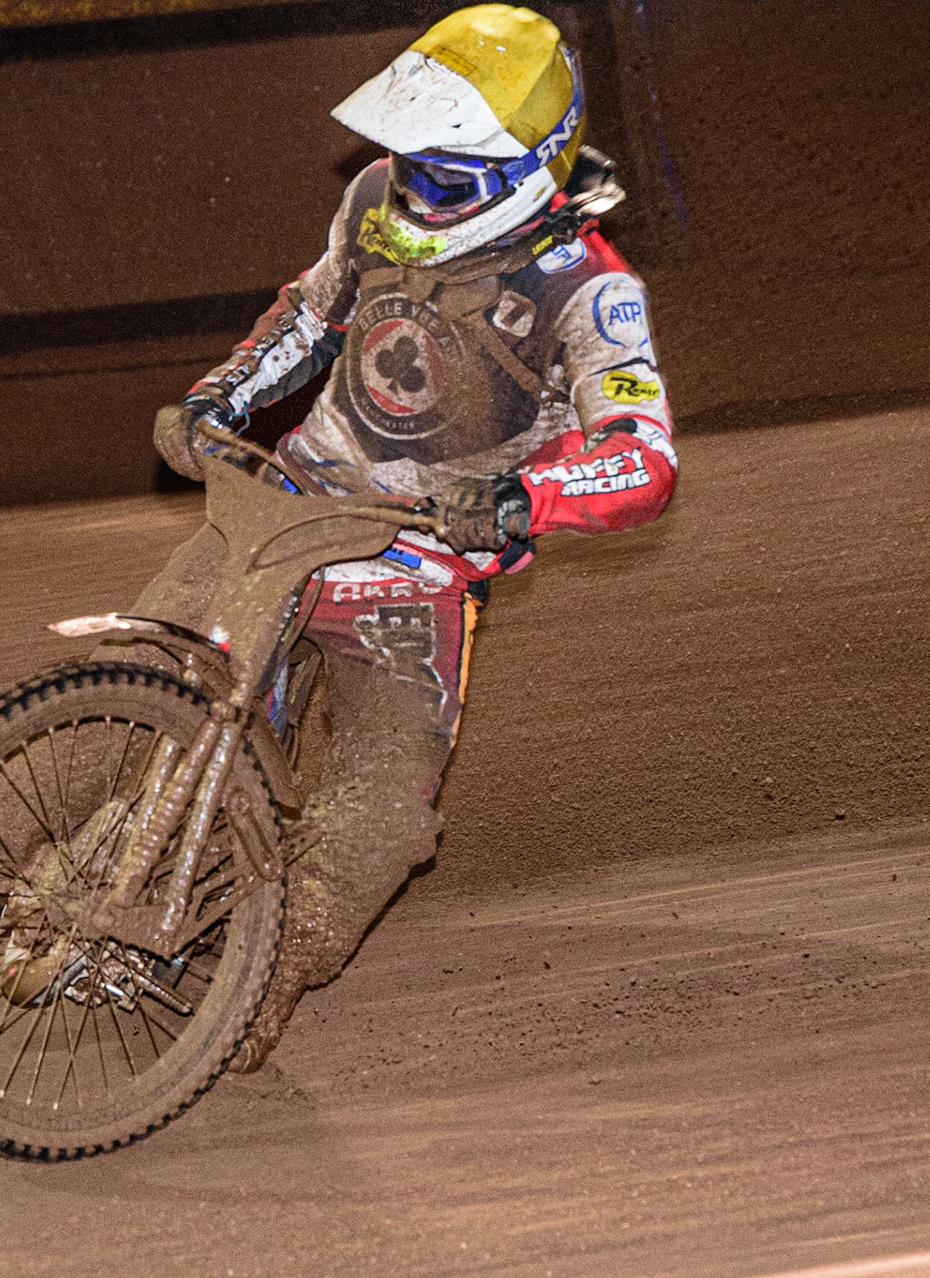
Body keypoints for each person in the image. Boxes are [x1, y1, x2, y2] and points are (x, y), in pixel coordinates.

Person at [139, 4, 678, 1071]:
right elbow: (310, 314)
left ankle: (266, 974)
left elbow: (644, 455)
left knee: (381, 818)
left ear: (528, 169)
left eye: (450, 176)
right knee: (149, 666)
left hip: (417, 561)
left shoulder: (589, 287)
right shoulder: (371, 200)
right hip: (293, 501)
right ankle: (32, 871)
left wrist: (522, 501)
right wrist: (215, 402)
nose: (417, 192)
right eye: (411, 164)